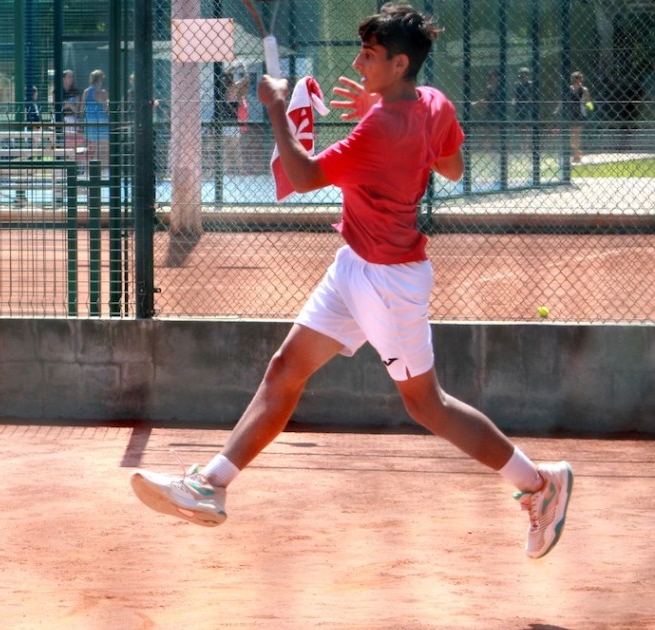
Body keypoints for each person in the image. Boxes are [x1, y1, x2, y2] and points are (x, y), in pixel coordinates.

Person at [130, 2, 573, 561]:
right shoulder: (430, 103)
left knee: (427, 405)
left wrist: (272, 108)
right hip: (354, 266)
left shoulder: (385, 127)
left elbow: (303, 174)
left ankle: (540, 483)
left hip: (390, 282)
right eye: (361, 53)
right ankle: (211, 485)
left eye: (369, 57)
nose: (360, 64)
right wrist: (387, 120)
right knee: (286, 368)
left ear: (399, 63)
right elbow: (453, 167)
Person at [557, 70, 593, 164]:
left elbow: (588, 101)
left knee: (576, 134)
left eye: (579, 78)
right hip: (571, 114)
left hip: (580, 114)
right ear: (572, 79)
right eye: (575, 78)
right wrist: (557, 110)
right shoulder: (569, 89)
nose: (577, 80)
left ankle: (576, 154)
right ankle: (577, 152)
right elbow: (562, 101)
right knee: (573, 135)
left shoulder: (584, 89)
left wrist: (590, 107)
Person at [81, 69, 110, 172]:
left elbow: (82, 109)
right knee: (104, 151)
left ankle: (89, 172)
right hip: (101, 124)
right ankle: (101, 173)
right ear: (101, 79)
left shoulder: (86, 92)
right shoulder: (103, 93)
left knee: (92, 150)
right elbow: (106, 109)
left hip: (90, 124)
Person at [470, 70, 504, 152]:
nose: (490, 78)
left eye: (492, 76)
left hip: (498, 111)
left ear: (497, 78)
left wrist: (479, 103)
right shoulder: (489, 87)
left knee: (497, 130)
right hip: (490, 111)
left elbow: (493, 100)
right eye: (489, 76)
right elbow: (487, 99)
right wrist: (477, 103)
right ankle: (486, 149)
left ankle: (499, 148)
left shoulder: (500, 88)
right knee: (486, 130)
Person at [59, 70, 84, 173]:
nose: (71, 79)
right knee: (62, 144)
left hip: (72, 119)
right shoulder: (57, 90)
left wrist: (70, 106)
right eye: (69, 77)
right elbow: (54, 106)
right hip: (61, 120)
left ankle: (77, 167)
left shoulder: (75, 92)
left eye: (72, 77)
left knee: (74, 144)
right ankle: (62, 168)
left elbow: (78, 109)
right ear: (63, 78)